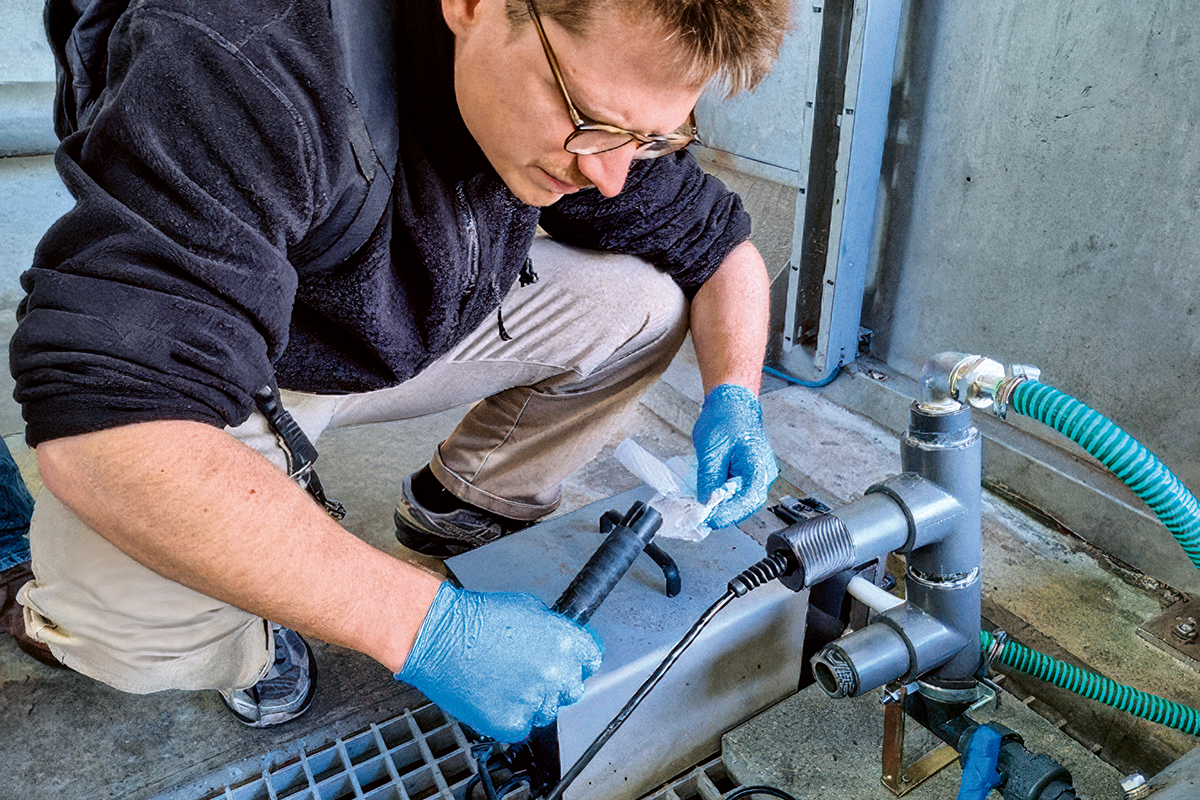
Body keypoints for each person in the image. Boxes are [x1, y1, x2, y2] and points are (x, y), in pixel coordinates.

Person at [11, 0, 788, 742]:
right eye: (590, 121)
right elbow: (104, 434)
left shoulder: (594, 86)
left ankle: (463, 500)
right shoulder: (245, 54)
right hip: (238, 366)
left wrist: (735, 398)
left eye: (652, 139)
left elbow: (724, 253)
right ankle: (244, 630)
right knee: (124, 629)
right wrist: (419, 625)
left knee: (645, 301)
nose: (614, 175)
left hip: (398, 319)